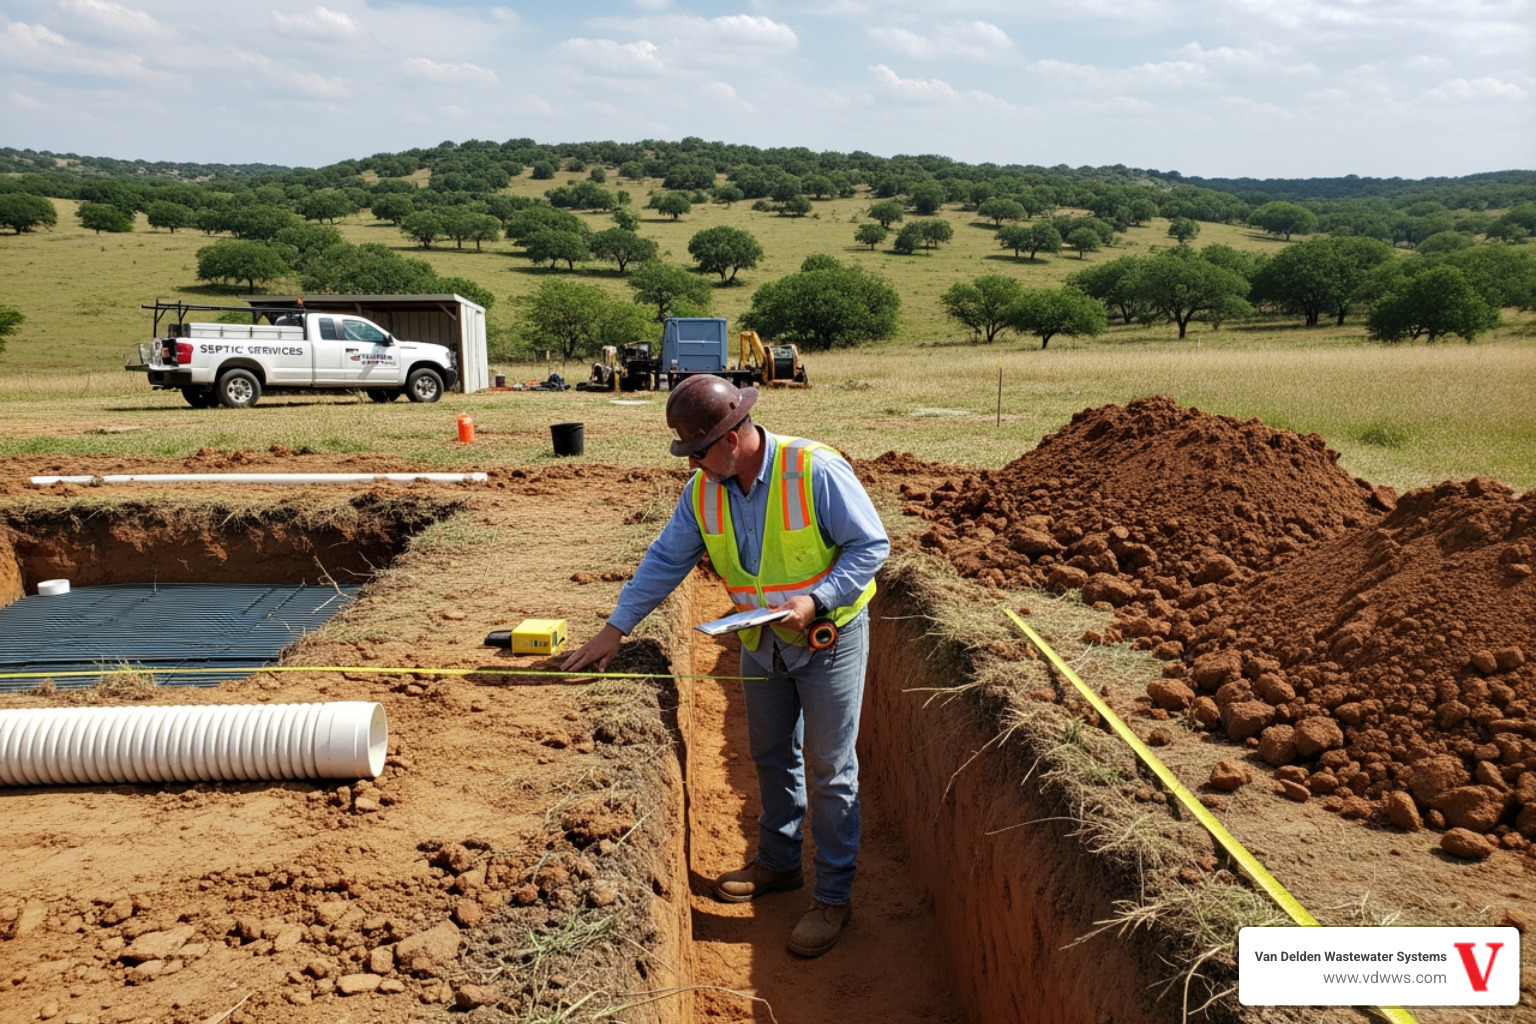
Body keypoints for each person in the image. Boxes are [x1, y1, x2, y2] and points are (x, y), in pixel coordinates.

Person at [561, 374, 889, 957]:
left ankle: (834, 896)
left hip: (826, 637)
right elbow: (667, 558)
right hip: (761, 642)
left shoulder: (814, 469)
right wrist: (616, 629)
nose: (692, 465)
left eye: (698, 452)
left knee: (831, 769)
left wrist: (816, 598)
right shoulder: (704, 491)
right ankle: (780, 861)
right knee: (770, 752)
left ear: (733, 438)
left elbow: (871, 546)